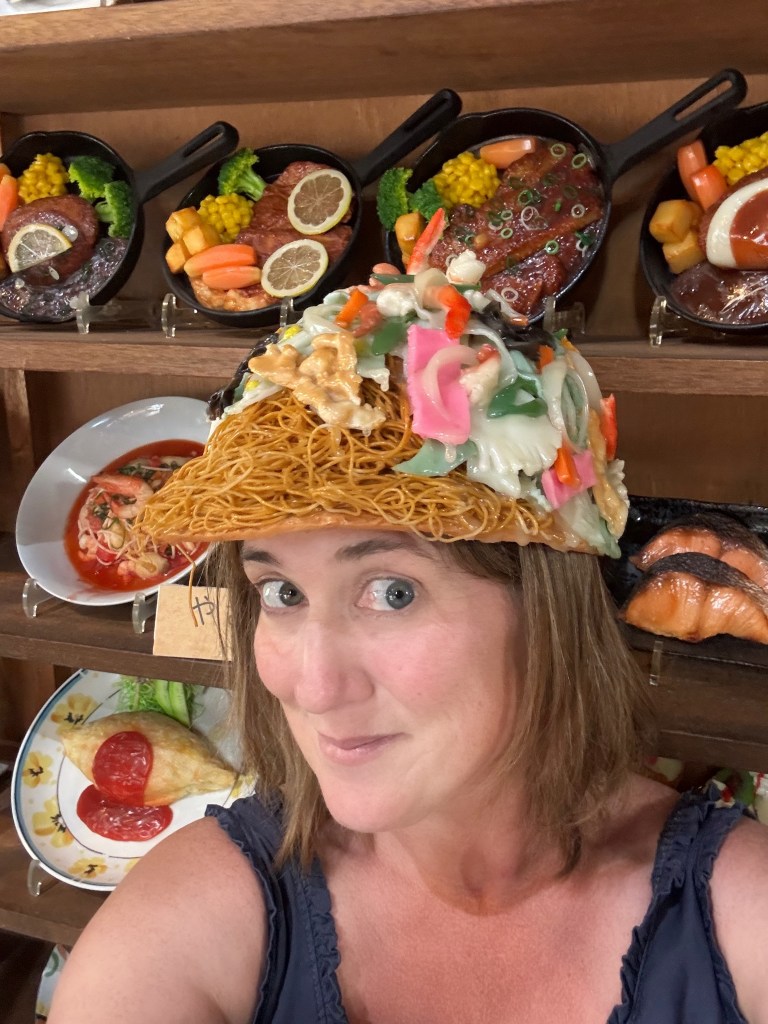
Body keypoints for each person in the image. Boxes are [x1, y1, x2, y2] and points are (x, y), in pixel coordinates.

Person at [49, 255, 768, 1024]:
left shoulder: (738, 916)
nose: (313, 686)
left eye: (393, 592)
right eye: (282, 593)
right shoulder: (191, 920)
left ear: (548, 609)